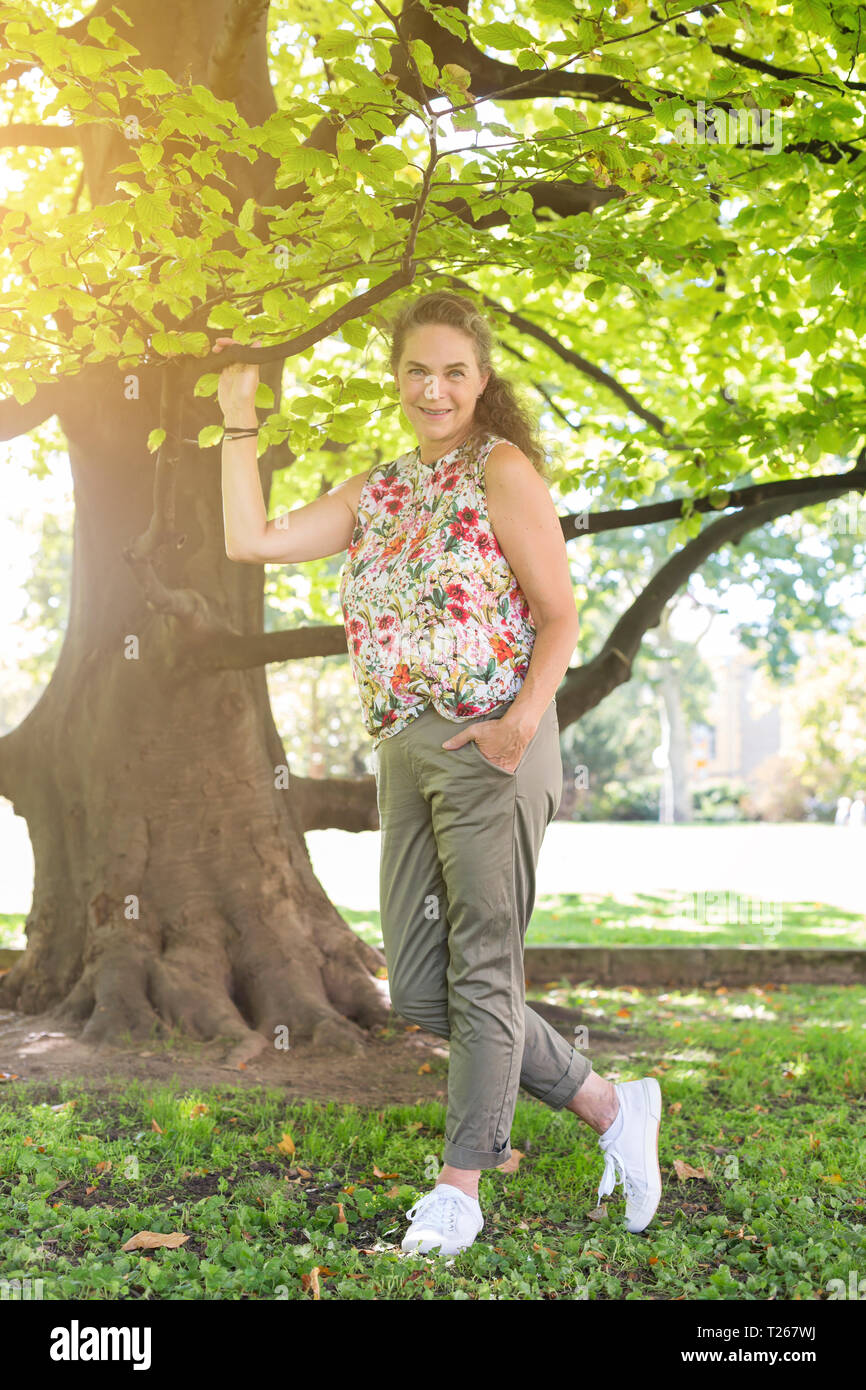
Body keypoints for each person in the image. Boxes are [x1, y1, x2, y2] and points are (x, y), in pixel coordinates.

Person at [214, 290, 662, 1257]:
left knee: (486, 971)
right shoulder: (378, 491)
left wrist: (517, 726)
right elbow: (249, 540)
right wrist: (238, 420)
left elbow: (560, 617)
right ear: (397, 377)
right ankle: (611, 1104)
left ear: (482, 380)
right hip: (405, 752)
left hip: (492, 746)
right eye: (419, 369)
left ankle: (459, 1189)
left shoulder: (501, 471)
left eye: (456, 370)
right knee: (422, 991)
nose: (435, 387)